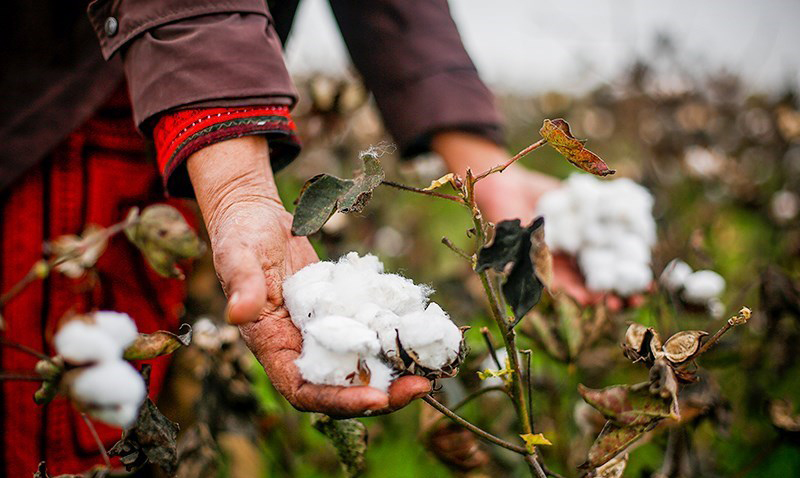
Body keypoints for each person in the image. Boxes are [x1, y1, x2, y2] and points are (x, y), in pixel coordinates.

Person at [0, 1, 590, 474]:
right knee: (65, 440)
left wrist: (475, 152)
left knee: (162, 410)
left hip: (181, 117)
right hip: (66, 113)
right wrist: (235, 181)